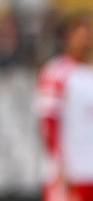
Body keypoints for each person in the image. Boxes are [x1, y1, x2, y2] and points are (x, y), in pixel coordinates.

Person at [36, 11, 93, 201]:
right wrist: (58, 162)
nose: (85, 40)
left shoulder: (88, 73)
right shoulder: (57, 72)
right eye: (80, 34)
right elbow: (48, 120)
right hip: (69, 171)